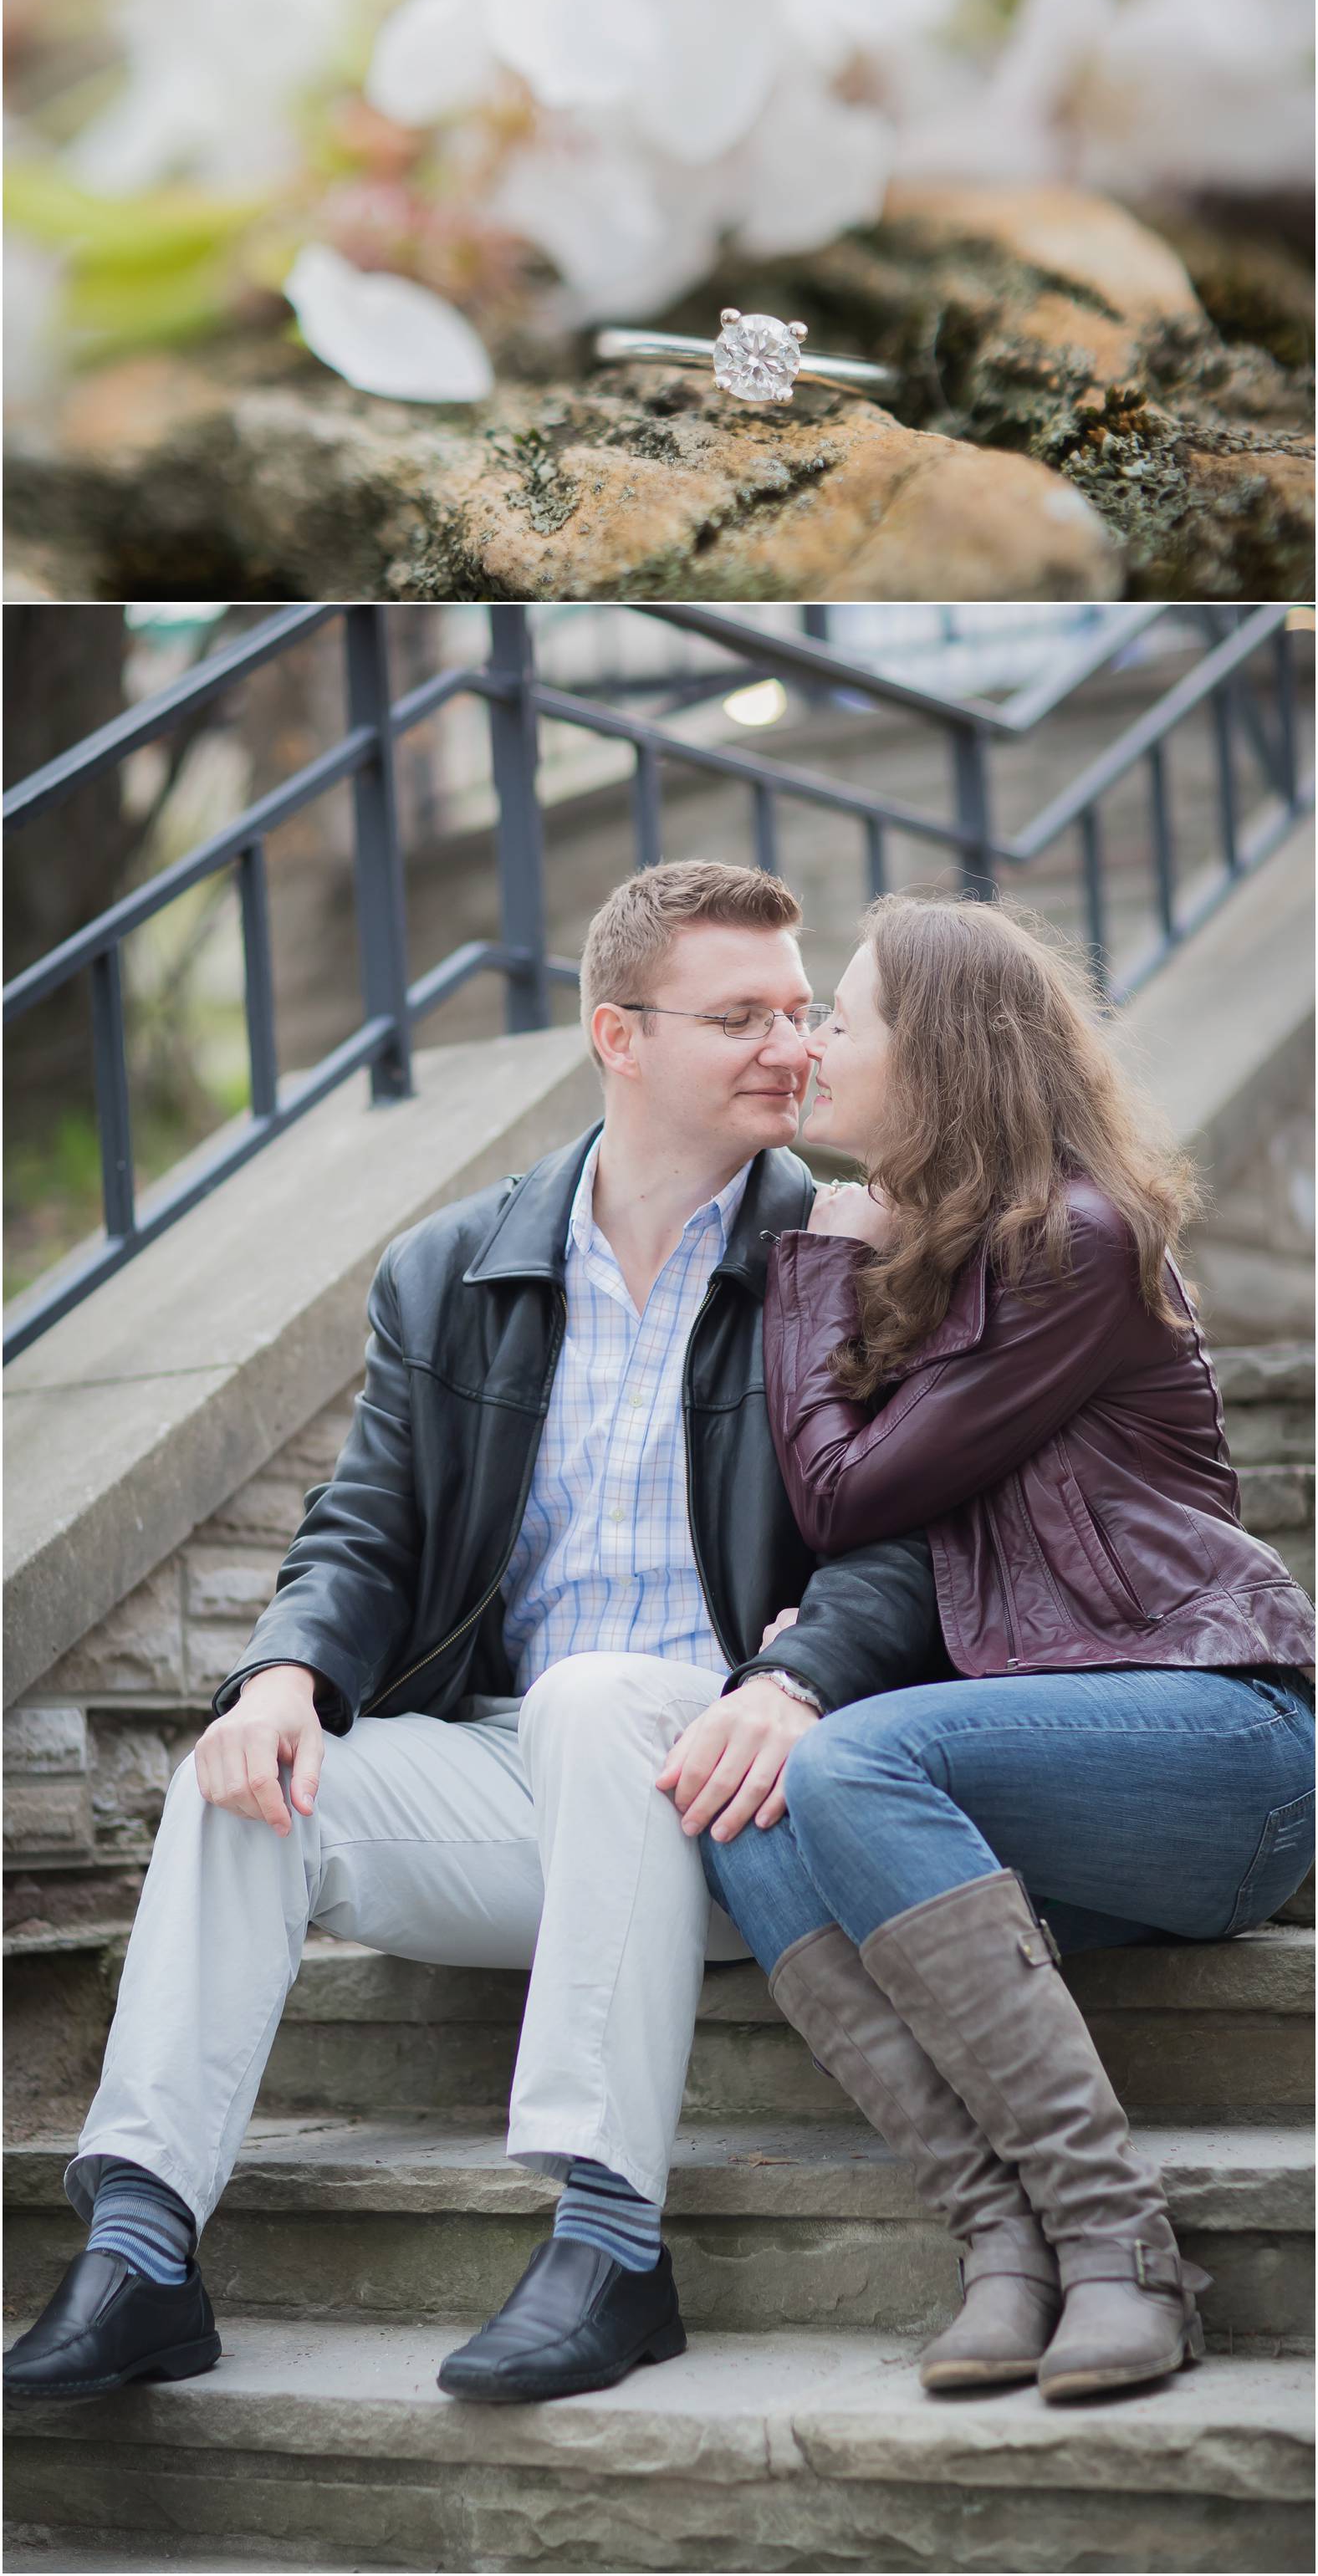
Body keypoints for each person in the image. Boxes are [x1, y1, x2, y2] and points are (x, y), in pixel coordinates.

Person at [4, 860, 939, 2410]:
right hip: (535, 1785)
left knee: (592, 1695)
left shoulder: (854, 1251)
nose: (795, 1046)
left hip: (750, 1790)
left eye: (800, 1010)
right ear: (618, 1038)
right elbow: (364, 1525)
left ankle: (608, 2238)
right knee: (242, 1781)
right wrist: (283, 1676)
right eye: (741, 1017)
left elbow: (911, 1541)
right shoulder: (454, 1269)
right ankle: (138, 2248)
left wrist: (800, 1673)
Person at [696, 891, 1315, 2403]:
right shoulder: (944, 1265)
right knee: (746, 1814)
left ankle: (1122, 2251)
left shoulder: (1073, 1245)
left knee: (843, 1754)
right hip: (1052, 1774)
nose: (816, 1044)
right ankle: (1003, 2247)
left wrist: (818, 1261)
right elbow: (875, 1534)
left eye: (846, 1016)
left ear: (944, 1055)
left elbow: (848, 1489)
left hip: (1220, 1738)